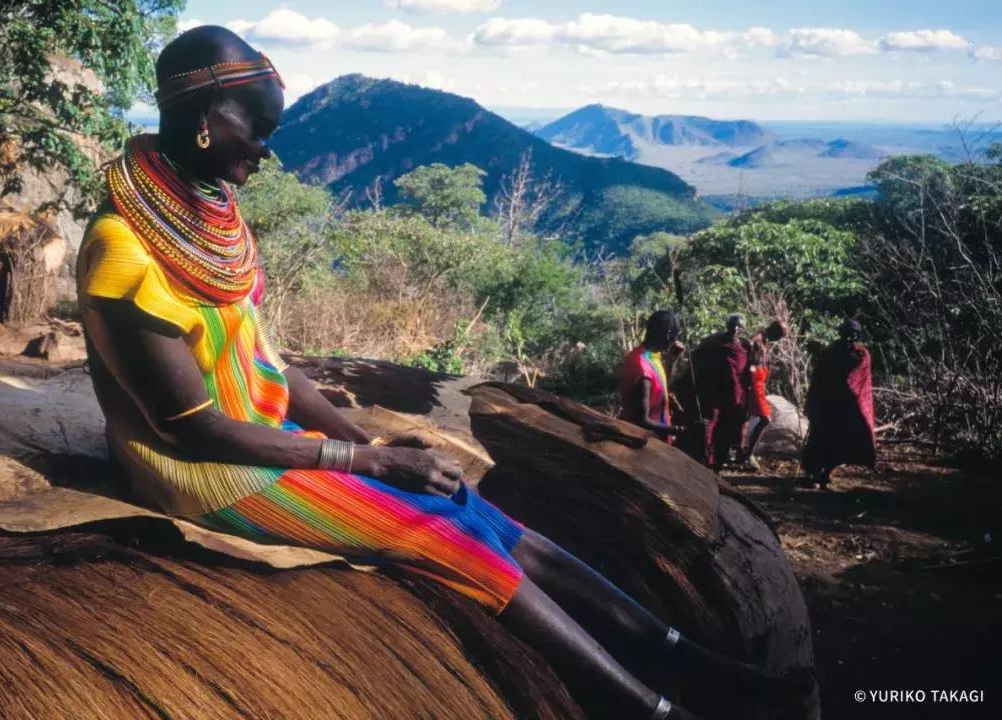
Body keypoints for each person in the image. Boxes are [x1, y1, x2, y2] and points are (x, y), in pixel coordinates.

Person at [75, 26, 808, 719]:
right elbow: (195, 429)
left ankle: (668, 650)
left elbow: (273, 370)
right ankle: (644, 707)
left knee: (478, 509)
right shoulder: (124, 249)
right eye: (256, 130)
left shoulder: (209, 211)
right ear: (206, 116)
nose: (266, 151)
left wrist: (374, 443)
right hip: (210, 469)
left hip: (268, 435)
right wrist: (365, 460)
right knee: (440, 535)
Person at [801, 319, 876, 488]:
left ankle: (826, 473)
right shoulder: (830, 352)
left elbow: (859, 380)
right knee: (820, 439)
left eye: (854, 335)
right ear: (841, 334)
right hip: (828, 405)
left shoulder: (861, 354)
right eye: (847, 334)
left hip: (847, 407)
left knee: (839, 441)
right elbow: (820, 377)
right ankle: (813, 472)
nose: (850, 338)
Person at [691, 314, 749, 472]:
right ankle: (708, 460)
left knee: (732, 429)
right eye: (733, 325)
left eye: (739, 326)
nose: (735, 329)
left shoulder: (744, 347)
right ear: (728, 325)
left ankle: (724, 459)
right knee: (712, 425)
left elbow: (749, 371)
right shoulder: (714, 342)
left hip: (736, 394)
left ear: (743, 329)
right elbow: (698, 356)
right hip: (715, 391)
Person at [620, 311, 690, 442]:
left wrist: (672, 360)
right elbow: (643, 421)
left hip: (657, 441)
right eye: (675, 336)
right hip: (647, 445)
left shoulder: (648, 356)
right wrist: (680, 430)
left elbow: (659, 389)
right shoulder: (642, 368)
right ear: (668, 335)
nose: (676, 341)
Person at [736, 320, 789, 471]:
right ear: (774, 331)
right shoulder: (757, 340)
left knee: (745, 419)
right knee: (766, 418)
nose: (778, 340)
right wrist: (749, 378)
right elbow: (749, 361)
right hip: (752, 385)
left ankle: (742, 454)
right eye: (779, 335)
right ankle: (748, 455)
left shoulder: (765, 340)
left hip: (757, 385)